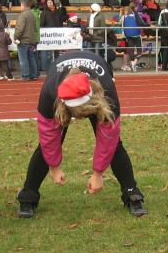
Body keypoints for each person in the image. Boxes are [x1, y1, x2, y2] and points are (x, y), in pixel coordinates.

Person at [16, 51, 147, 218]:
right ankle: (28, 196)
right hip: (61, 98)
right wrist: (54, 167)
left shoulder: (107, 91)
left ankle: (132, 194)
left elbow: (108, 138)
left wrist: (98, 174)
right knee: (44, 146)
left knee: (115, 145)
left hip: (97, 93)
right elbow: (49, 137)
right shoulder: (50, 92)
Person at [15, 0, 39, 80]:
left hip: (23, 40)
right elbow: (35, 28)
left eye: (21, 5)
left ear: (23, 5)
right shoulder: (33, 14)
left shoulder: (22, 15)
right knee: (31, 58)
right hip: (32, 40)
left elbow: (20, 28)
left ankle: (25, 75)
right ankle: (34, 75)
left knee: (23, 59)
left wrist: (16, 37)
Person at [121, 2, 147, 72]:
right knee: (140, 51)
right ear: (135, 7)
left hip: (128, 35)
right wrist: (149, 25)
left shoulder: (124, 15)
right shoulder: (136, 14)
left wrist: (125, 35)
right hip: (136, 34)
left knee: (131, 50)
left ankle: (132, 63)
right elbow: (141, 23)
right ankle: (134, 62)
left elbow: (123, 26)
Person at [0, 16, 14, 80]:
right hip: (4, 51)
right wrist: (8, 35)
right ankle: (10, 77)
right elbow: (9, 42)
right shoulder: (5, 34)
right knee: (5, 65)